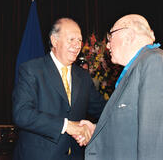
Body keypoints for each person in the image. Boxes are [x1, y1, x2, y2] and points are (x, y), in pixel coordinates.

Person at [81, 14, 163, 159]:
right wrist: (97, 130)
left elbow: (158, 146)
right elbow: (132, 128)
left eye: (110, 36)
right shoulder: (141, 66)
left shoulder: (155, 63)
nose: (107, 44)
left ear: (128, 35)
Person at [12, 18, 106, 160]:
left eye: (79, 40)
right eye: (71, 39)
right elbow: (22, 114)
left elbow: (104, 110)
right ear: (54, 41)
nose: (77, 45)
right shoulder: (32, 70)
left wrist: (92, 127)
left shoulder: (83, 76)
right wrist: (67, 126)